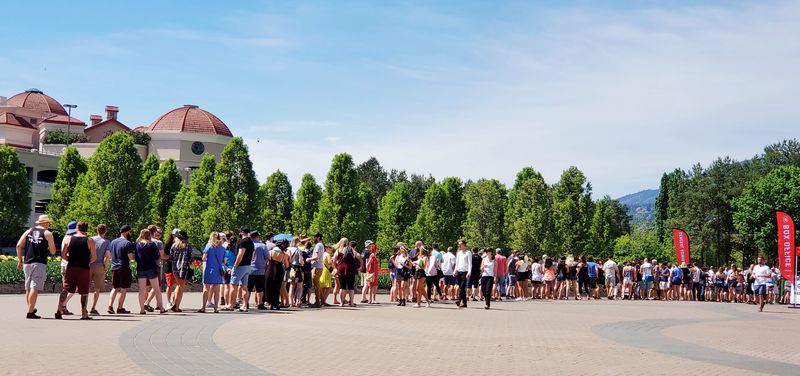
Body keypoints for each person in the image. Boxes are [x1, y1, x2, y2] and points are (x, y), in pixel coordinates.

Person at [16, 215, 57, 319]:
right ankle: (30, 312)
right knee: (35, 287)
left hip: (27, 262)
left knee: (28, 287)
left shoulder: (28, 231)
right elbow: (53, 251)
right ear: (45, 223)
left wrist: (20, 260)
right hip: (39, 262)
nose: (49, 225)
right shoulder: (47, 233)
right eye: (48, 223)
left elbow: (18, 245)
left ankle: (31, 308)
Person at [57, 221, 96, 320]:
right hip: (83, 268)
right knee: (84, 292)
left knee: (65, 289)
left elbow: (63, 254)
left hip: (71, 267)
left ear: (77, 228)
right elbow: (94, 257)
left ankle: (59, 310)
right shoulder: (89, 240)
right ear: (86, 229)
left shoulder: (69, 239)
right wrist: (87, 262)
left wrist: (69, 260)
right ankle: (84, 313)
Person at [135, 229, 165, 315]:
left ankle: (142, 310)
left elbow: (136, 257)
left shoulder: (137, 245)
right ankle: (161, 308)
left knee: (141, 290)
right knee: (156, 289)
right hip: (151, 268)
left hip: (141, 268)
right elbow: (156, 257)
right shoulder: (152, 245)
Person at [108, 225, 135, 314]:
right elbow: (131, 258)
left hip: (114, 267)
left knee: (115, 288)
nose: (130, 234)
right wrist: (134, 255)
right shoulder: (127, 243)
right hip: (123, 267)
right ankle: (120, 307)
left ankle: (110, 306)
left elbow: (110, 255)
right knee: (123, 289)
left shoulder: (113, 242)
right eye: (130, 232)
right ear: (126, 232)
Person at [199, 232, 226, 313]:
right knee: (216, 290)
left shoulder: (209, 246)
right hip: (218, 270)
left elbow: (204, 258)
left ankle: (203, 307)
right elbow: (224, 261)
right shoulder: (222, 248)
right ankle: (216, 308)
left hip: (209, 269)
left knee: (206, 289)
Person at [229, 227, 254, 311]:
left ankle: (231, 305)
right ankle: (244, 305)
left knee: (233, 285)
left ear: (242, 232)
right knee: (244, 286)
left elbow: (240, 254)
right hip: (248, 265)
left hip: (241, 265)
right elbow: (253, 255)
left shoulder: (243, 242)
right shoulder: (251, 242)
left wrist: (235, 266)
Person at [88, 224, 110, 316]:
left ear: (97, 230)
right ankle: (93, 307)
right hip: (99, 265)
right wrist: (105, 265)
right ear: (105, 231)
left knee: (86, 287)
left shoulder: (90, 239)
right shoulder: (107, 242)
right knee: (97, 289)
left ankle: (84, 306)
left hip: (88, 265)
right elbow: (108, 256)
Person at [169, 230, 192, 312]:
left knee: (178, 285)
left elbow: (171, 257)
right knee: (181, 287)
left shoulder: (174, 245)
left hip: (175, 267)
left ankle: (174, 302)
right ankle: (176, 306)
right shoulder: (188, 245)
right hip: (184, 267)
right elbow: (190, 257)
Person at [335, 238, 360, 307]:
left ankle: (342, 303)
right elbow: (356, 256)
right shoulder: (351, 249)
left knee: (342, 287)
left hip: (341, 270)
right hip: (351, 270)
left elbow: (334, 260)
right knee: (351, 288)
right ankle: (351, 303)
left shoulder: (338, 250)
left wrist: (335, 268)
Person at [266, 241, 289, 310]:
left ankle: (270, 304)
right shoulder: (283, 254)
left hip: (270, 269)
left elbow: (267, 262)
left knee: (270, 286)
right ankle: (276, 304)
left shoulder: (270, 252)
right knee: (277, 287)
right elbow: (287, 265)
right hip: (279, 271)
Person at [248, 231, 268, 310]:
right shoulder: (262, 246)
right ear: (257, 237)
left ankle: (246, 303)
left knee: (248, 288)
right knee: (260, 288)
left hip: (249, 269)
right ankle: (260, 304)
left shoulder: (248, 245)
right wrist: (264, 263)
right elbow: (267, 257)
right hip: (260, 269)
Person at [305, 233, 325, 308]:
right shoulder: (321, 245)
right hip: (319, 267)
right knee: (318, 285)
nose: (314, 238)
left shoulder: (317, 245)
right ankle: (322, 300)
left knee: (316, 286)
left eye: (315, 237)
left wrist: (309, 259)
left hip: (316, 267)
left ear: (318, 237)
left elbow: (317, 257)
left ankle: (317, 302)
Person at [288, 237, 306, 308]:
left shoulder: (288, 249)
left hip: (291, 268)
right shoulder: (298, 250)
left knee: (291, 286)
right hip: (297, 268)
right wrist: (303, 263)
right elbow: (301, 261)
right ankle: (298, 301)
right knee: (299, 286)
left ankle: (290, 302)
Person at [453, 240, 472, 308]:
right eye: (458, 244)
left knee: (462, 286)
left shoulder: (468, 252)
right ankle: (464, 303)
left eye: (460, 244)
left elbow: (470, 263)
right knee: (461, 287)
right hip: (459, 271)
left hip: (465, 271)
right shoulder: (458, 253)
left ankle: (459, 299)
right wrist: (455, 271)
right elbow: (457, 263)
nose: (459, 246)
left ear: (464, 245)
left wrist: (469, 272)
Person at [221, 232, 236, 308]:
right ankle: (232, 303)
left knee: (227, 287)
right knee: (233, 287)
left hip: (226, 269)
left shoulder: (224, 250)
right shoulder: (235, 250)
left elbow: (223, 261)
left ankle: (227, 303)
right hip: (234, 269)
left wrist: (226, 268)